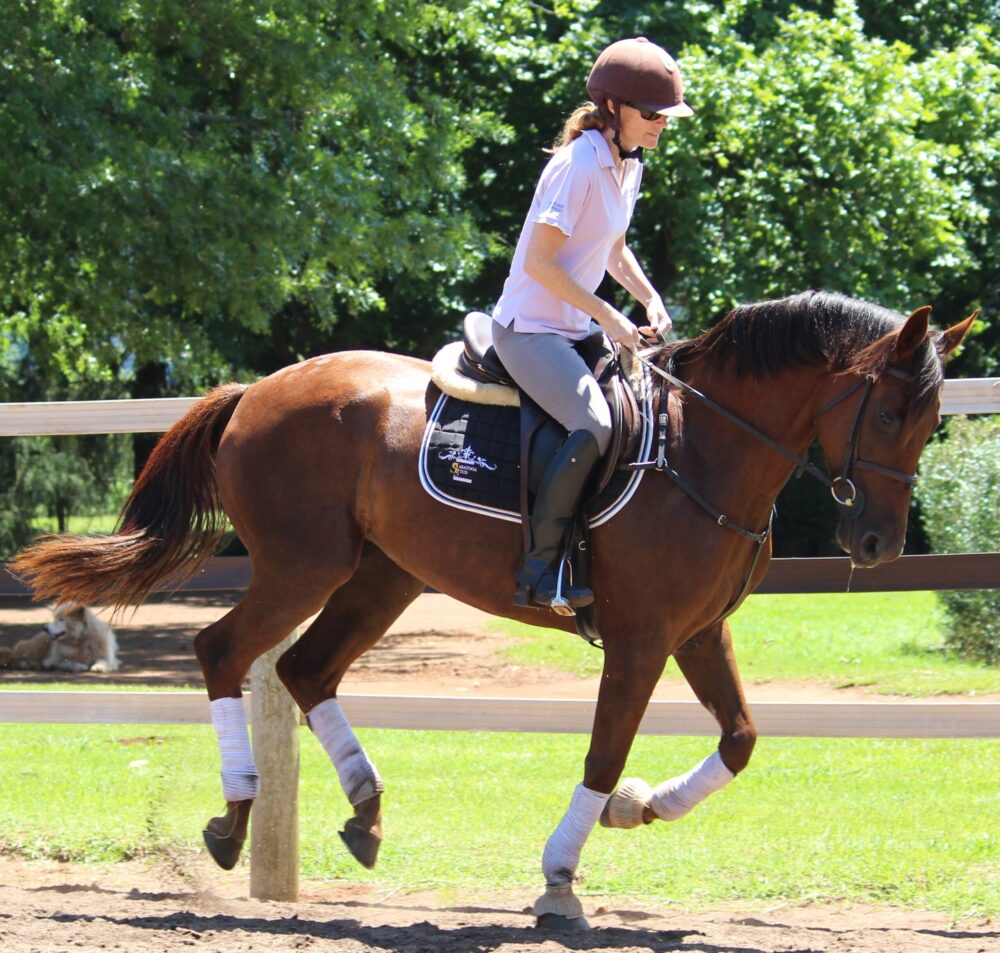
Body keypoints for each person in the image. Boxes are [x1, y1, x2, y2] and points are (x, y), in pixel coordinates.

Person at [491, 36, 693, 611]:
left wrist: (649, 299)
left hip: (575, 330)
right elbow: (538, 263)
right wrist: (610, 315)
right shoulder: (577, 165)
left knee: (640, 417)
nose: (661, 124)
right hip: (529, 330)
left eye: (667, 115)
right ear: (615, 108)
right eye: (653, 114)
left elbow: (613, 247)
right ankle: (542, 570)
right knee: (595, 423)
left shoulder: (627, 166)